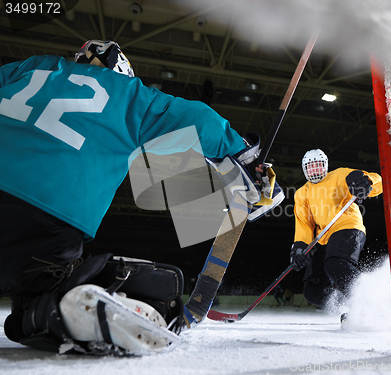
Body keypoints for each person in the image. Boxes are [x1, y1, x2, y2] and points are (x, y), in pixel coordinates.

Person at [0, 40, 279, 355]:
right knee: (40, 301)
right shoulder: (127, 92)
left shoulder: (31, 67)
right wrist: (244, 157)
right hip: (45, 221)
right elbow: (194, 119)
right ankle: (58, 309)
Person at [289, 149, 382, 315]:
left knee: (335, 264)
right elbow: (304, 224)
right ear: (305, 170)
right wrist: (300, 247)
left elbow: (377, 179)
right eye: (310, 167)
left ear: (325, 166)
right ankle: (347, 305)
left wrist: (365, 182)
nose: (315, 170)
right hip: (324, 239)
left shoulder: (339, 175)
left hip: (347, 228)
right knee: (313, 291)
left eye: (318, 165)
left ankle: (369, 301)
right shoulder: (302, 193)